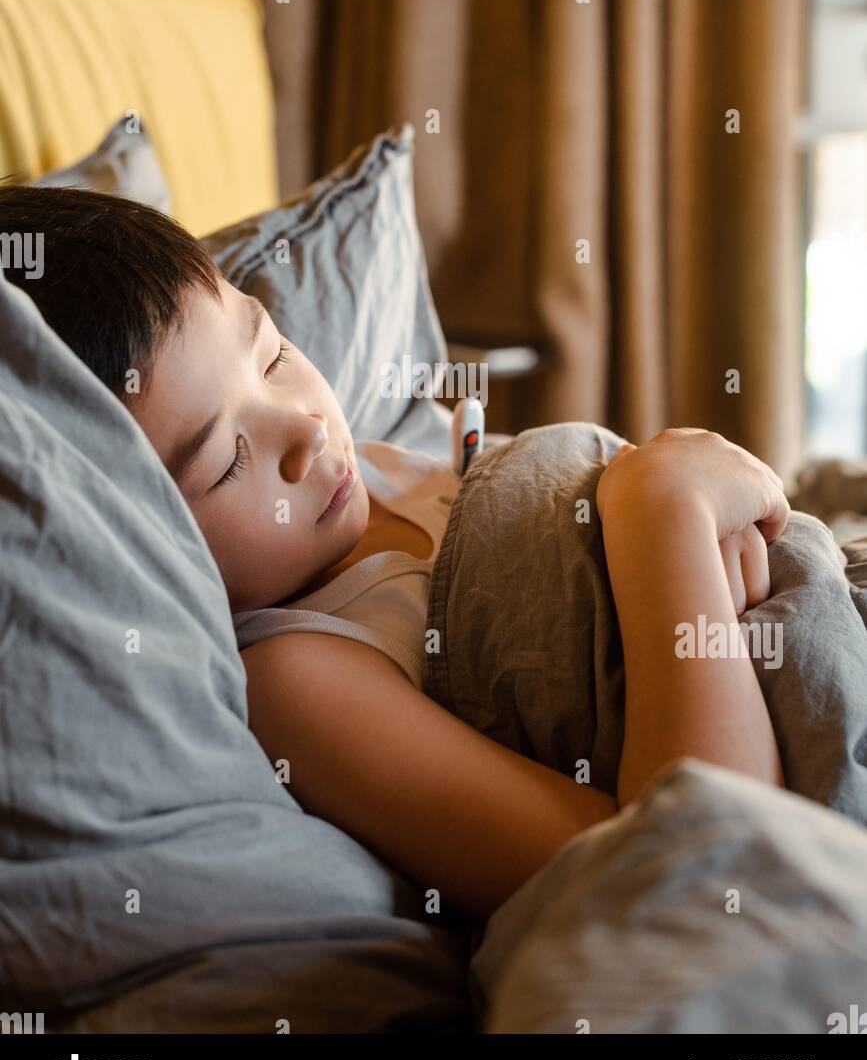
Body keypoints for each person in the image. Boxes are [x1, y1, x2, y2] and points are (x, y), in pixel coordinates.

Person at [0, 185, 789, 921]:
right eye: (226, 461)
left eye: (271, 354)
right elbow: (693, 878)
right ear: (132, 539)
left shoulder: (389, 462)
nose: (305, 427)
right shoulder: (297, 678)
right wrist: (666, 518)